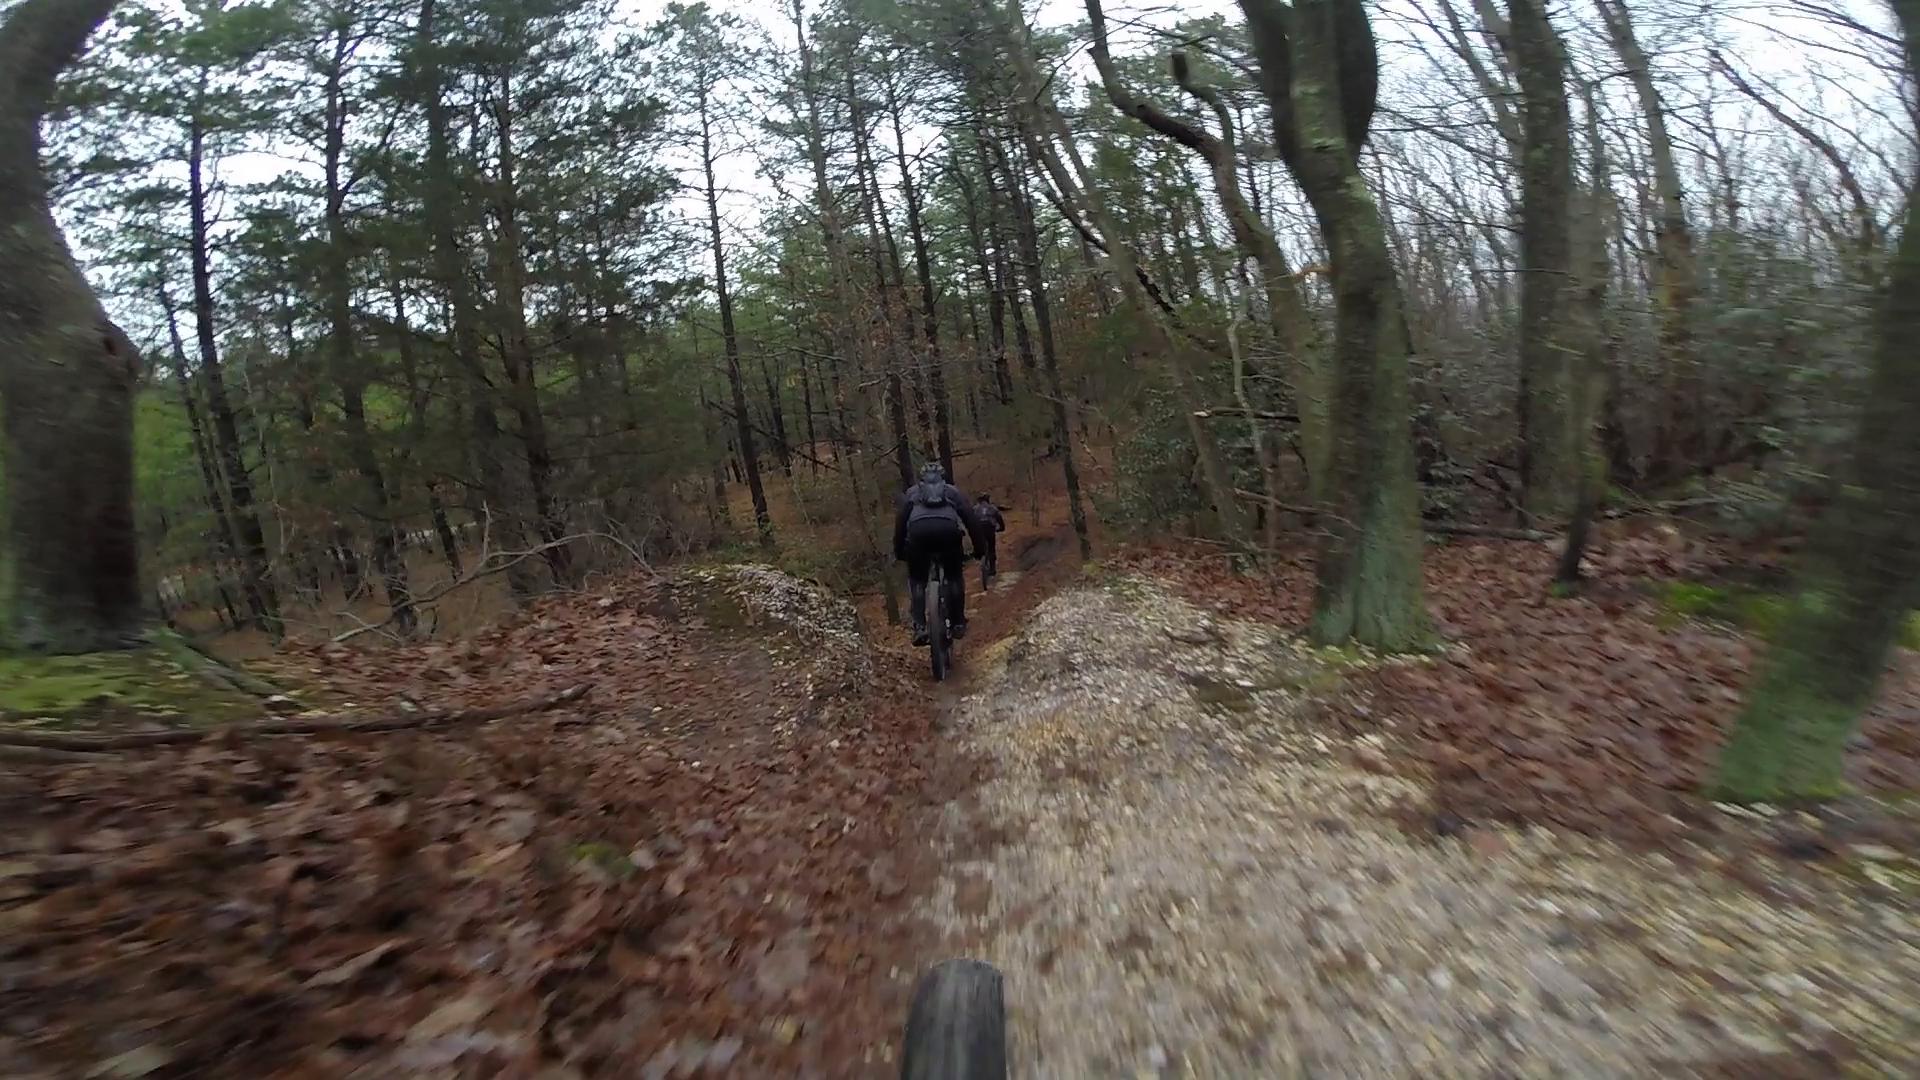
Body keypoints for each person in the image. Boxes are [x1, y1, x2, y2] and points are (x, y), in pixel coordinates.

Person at [894, 463, 989, 647]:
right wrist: (980, 549)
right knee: (954, 577)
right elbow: (970, 519)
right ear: (943, 477)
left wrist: (899, 551)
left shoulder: (913, 493)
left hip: (918, 534)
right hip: (948, 533)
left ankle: (919, 627)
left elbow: (900, 523)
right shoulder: (952, 492)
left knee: (917, 580)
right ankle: (958, 622)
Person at [975, 492, 1007, 582]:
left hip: (979, 529)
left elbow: (971, 519)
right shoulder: (992, 508)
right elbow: (999, 518)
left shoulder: (975, 508)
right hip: (990, 529)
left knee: (981, 545)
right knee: (991, 548)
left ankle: (980, 556)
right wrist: (1002, 528)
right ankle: (992, 570)